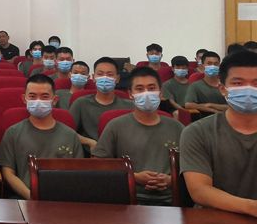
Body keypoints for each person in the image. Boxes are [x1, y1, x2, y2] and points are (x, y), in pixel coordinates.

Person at [180, 50, 257, 222]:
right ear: (223, 89)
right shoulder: (197, 132)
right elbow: (200, 191)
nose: (248, 90)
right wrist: (253, 207)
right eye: (238, 83)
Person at [93, 67, 183, 205]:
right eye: (139, 89)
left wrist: (172, 180)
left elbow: (191, 168)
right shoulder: (115, 126)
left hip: (171, 200)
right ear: (130, 94)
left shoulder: (177, 127)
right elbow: (98, 165)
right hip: (126, 201)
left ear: (160, 93)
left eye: (151, 88)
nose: (146, 93)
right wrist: (133, 176)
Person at [0, 74, 83, 199]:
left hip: (63, 200)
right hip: (24, 199)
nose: (38, 101)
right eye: (32, 96)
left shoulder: (70, 135)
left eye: (44, 97)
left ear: (54, 100)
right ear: (24, 99)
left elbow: (78, 174)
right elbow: (8, 173)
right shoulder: (13, 133)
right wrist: (32, 197)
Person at [68, 57, 133, 151]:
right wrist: (89, 142)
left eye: (110, 75)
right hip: (89, 153)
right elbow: (67, 131)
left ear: (117, 78)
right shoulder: (80, 103)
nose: (105, 78)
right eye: (100, 74)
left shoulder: (129, 106)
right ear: (93, 77)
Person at [185, 51, 227, 117]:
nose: (212, 66)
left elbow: (233, 107)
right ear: (202, 65)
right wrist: (212, 110)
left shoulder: (226, 84)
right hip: (205, 119)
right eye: (209, 63)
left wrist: (210, 105)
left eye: (216, 64)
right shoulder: (195, 86)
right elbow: (188, 105)